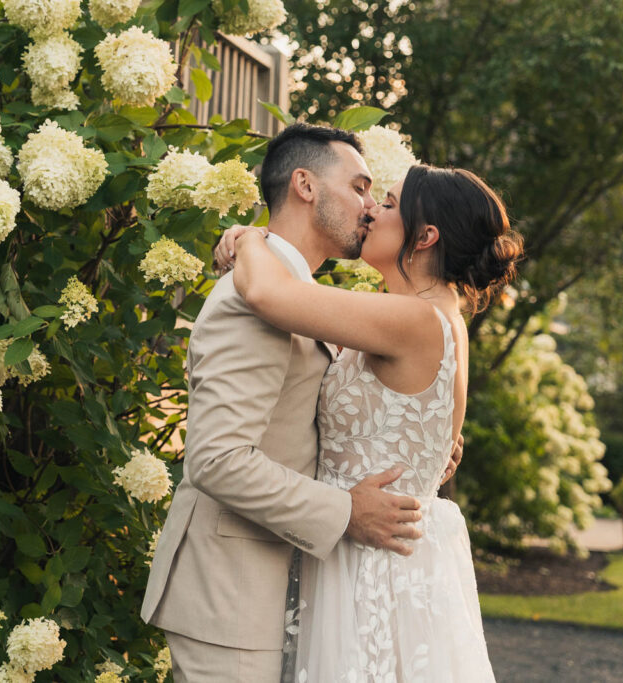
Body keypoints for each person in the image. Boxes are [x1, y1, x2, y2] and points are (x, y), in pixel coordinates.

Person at [141, 123, 462, 681]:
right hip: (231, 599)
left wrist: (421, 452)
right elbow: (216, 459)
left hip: (296, 590)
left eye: (379, 198)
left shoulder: (300, 297)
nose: (369, 208)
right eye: (361, 188)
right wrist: (346, 512)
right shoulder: (253, 301)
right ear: (305, 185)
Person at [221, 163, 522, 681]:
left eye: (386, 202)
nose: (370, 211)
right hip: (371, 549)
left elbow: (270, 296)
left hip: (371, 569)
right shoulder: (427, 315)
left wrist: (252, 239)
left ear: (425, 236)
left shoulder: (415, 319)